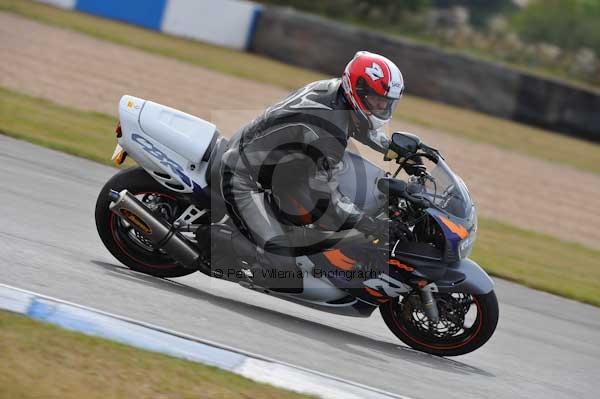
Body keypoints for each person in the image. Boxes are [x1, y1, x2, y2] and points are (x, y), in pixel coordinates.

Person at [220, 51, 404, 293]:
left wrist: (397, 151)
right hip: (244, 176)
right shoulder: (328, 133)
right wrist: (368, 223)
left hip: (277, 166)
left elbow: (360, 126)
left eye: (387, 102)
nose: (383, 107)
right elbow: (328, 198)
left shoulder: (335, 91)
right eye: (377, 100)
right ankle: (225, 249)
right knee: (283, 271)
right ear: (357, 91)